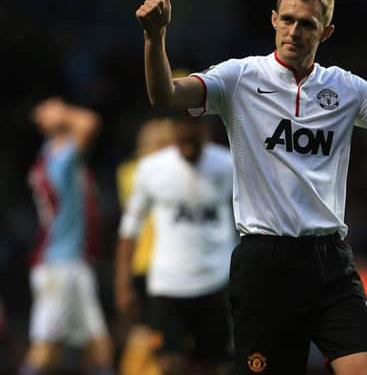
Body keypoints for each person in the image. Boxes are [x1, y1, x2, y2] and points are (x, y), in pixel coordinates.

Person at [135, 0, 367, 375]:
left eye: (307, 24)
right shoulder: (239, 78)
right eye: (288, 20)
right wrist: (155, 38)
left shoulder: (344, 88)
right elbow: (165, 95)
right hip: (264, 263)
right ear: (274, 20)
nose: (295, 31)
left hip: (329, 260)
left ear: (325, 32)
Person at [115, 116, 235, 375]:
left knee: (214, 365)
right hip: (167, 285)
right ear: (173, 135)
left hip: (217, 282)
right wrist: (122, 283)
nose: (189, 150)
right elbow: (129, 228)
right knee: (168, 364)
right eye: (182, 143)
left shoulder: (228, 164)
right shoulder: (150, 169)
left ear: (206, 133)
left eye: (194, 143)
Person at [23, 98, 114, 375]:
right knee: (46, 349)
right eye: (51, 107)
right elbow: (90, 122)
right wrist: (63, 113)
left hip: (74, 262)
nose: (59, 107)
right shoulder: (58, 159)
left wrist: (55, 114)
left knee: (99, 346)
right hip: (58, 265)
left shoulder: (52, 153)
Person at [116, 118, 174, 375]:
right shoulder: (161, 174)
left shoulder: (128, 171)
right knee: (155, 337)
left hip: (140, 263)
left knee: (149, 334)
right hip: (160, 263)